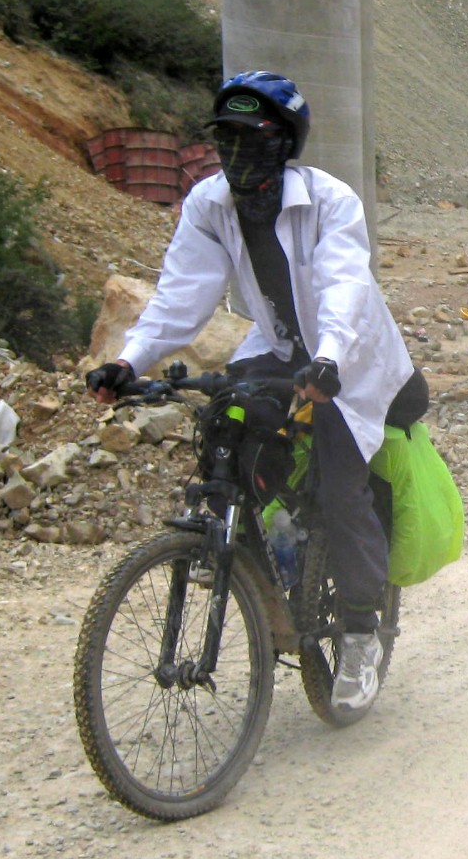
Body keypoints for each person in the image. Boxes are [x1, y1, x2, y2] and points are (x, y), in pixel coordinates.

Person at [86, 70, 422, 713]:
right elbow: (181, 295)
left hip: (348, 356)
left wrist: (326, 362)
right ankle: (264, 555)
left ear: (283, 145)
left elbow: (344, 287)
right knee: (226, 421)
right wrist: (128, 361)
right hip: (279, 347)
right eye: (226, 140)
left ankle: (359, 635)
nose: (236, 154)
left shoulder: (330, 201)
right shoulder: (209, 205)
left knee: (340, 478)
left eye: (253, 139)